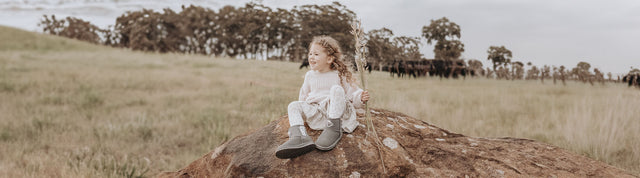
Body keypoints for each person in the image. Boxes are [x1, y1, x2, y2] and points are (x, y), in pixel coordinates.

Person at [275, 36, 370, 159]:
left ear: (329, 58)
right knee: (293, 105)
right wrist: (302, 111)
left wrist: (360, 97)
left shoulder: (339, 74)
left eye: (316, 54)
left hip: (335, 114)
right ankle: (299, 137)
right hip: (317, 114)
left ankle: (333, 130)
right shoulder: (310, 75)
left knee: (336, 89)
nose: (311, 57)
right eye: (310, 54)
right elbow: (303, 96)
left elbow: (352, 93)